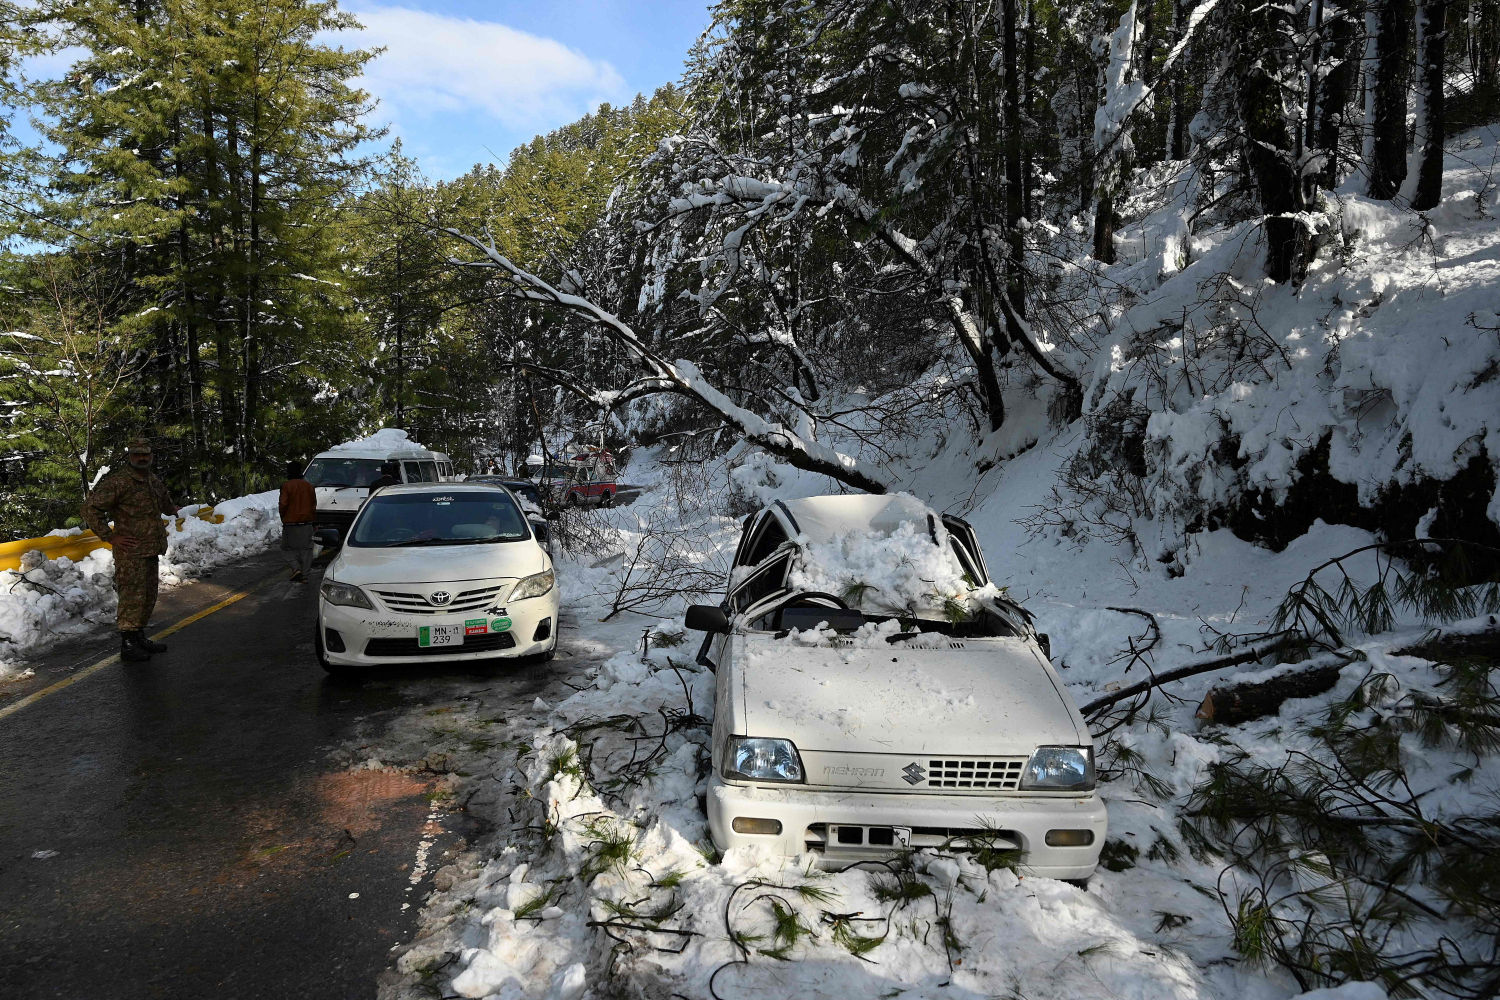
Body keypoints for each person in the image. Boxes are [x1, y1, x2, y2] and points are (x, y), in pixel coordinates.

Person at [83, 437, 178, 662]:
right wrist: (110, 536)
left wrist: (171, 508)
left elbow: (163, 501)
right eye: (137, 454)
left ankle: (138, 637)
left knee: (148, 595)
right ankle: (127, 644)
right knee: (132, 596)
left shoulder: (151, 480)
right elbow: (90, 509)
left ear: (151, 456)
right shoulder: (119, 482)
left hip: (150, 548)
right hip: (130, 551)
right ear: (130, 456)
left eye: (145, 454)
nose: (142, 458)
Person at [279, 460, 316, 582]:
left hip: (290, 523)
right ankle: (305, 576)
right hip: (307, 523)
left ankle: (296, 568)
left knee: (286, 548)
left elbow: (283, 504)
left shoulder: (286, 486)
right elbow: (313, 505)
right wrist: (313, 520)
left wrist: (283, 518)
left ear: (288, 472)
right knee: (306, 550)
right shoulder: (309, 486)